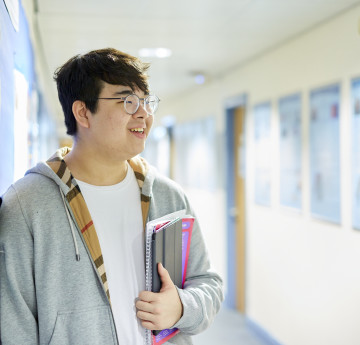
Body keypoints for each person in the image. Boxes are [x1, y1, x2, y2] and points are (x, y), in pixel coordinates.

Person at [0, 48, 223, 345]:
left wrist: (182, 306)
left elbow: (208, 282)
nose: (144, 113)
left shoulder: (168, 196)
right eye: (128, 101)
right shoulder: (26, 206)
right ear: (83, 112)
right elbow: (14, 326)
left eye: (147, 101)